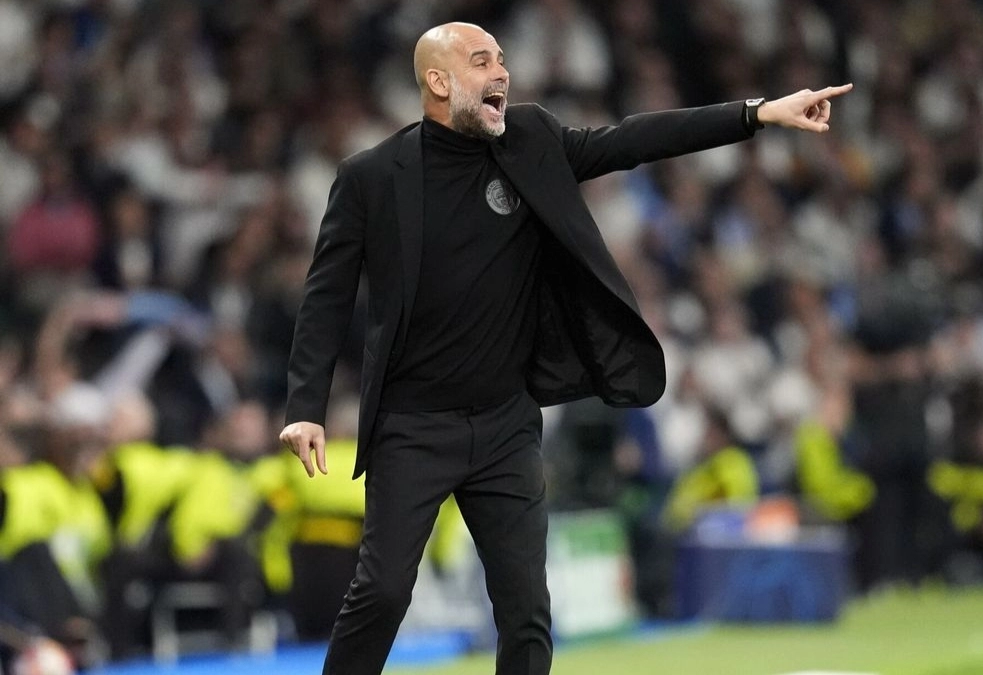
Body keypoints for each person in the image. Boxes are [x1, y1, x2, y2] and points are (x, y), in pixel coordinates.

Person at [278, 21, 852, 675]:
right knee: (380, 593)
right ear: (438, 81)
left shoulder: (531, 140)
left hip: (505, 425)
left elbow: (634, 139)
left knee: (526, 611)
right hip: (413, 425)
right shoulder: (371, 177)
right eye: (481, 62)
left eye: (502, 60)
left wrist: (755, 113)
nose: (501, 74)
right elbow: (325, 295)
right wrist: (306, 405)